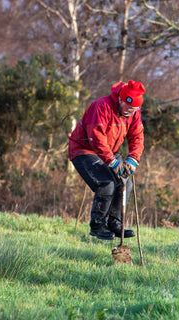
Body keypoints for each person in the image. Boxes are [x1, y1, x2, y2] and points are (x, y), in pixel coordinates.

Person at [68, 80, 146, 240]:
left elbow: (137, 136)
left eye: (135, 109)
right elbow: (96, 138)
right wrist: (113, 161)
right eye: (129, 107)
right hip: (84, 149)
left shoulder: (134, 113)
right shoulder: (101, 106)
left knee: (126, 182)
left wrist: (133, 158)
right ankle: (98, 226)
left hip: (109, 151)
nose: (131, 112)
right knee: (107, 183)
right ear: (121, 100)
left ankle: (115, 224)